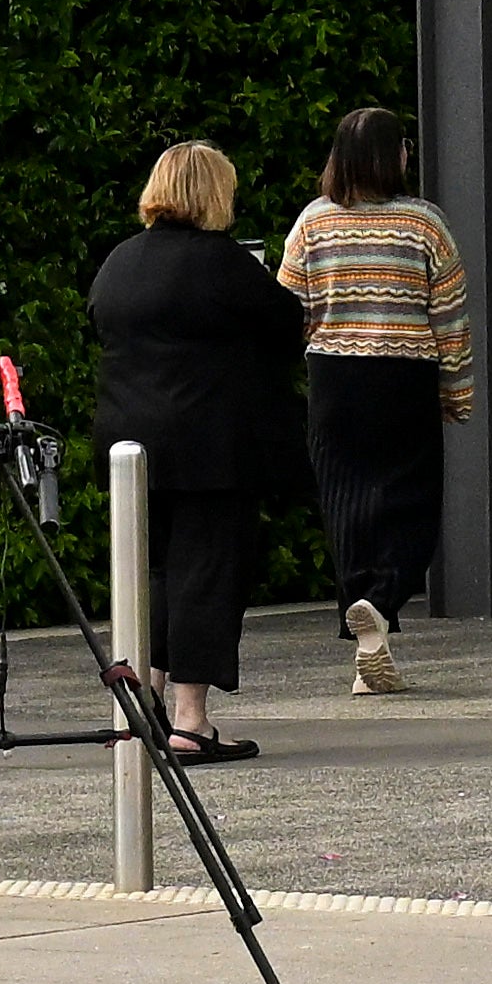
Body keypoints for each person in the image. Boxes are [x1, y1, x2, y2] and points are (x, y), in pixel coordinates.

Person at [84, 139, 306, 761]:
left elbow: (99, 323)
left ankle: (141, 708)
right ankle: (191, 720)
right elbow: (287, 326)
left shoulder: (120, 261)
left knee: (147, 575)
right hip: (212, 445)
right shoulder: (224, 263)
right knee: (206, 573)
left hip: (130, 446)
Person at [279, 103, 469, 692]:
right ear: (395, 156)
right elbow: (451, 320)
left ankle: (366, 634)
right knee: (414, 505)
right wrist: (456, 393)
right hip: (404, 379)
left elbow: (289, 310)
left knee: (345, 507)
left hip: (334, 380)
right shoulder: (426, 224)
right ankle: (381, 604)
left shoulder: (312, 223)